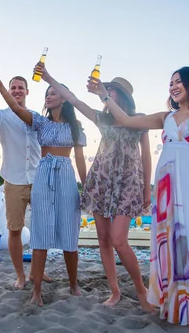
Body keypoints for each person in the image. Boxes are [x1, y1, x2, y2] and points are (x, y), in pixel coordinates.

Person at [87, 66, 189, 331]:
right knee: (170, 245)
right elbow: (125, 119)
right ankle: (178, 303)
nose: (173, 86)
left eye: (179, 81)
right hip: (166, 190)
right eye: (171, 82)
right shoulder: (165, 117)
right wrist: (103, 95)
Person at [37, 64, 152, 308]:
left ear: (124, 96)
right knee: (103, 239)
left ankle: (142, 292)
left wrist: (147, 189)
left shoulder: (138, 120)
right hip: (101, 180)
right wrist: (48, 77)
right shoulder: (103, 118)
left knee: (119, 239)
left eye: (113, 90)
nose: (107, 92)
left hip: (128, 183)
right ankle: (115, 291)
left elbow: (146, 156)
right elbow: (73, 100)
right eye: (107, 89)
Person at [0, 67, 87, 306]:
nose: (49, 96)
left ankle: (74, 284)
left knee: (69, 232)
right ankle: (36, 291)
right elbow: (15, 107)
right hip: (42, 176)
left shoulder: (76, 127)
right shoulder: (40, 123)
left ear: (64, 97)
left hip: (66, 176)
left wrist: (86, 188)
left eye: (54, 93)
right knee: (40, 233)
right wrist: (0, 84)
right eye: (47, 93)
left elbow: (81, 160)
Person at [0, 75, 51, 289]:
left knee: (41, 229)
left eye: (20, 87)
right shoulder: (2, 116)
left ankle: (36, 271)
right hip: (13, 181)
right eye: (13, 87)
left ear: (27, 91)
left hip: (39, 179)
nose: (16, 90)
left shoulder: (36, 118)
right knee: (14, 229)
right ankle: (20, 275)